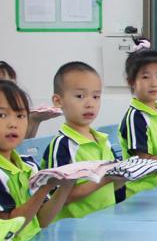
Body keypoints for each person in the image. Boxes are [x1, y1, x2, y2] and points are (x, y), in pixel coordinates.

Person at [0, 79, 70, 241]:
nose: (13, 124)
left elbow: (42, 221)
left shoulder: (28, 164)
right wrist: (43, 188)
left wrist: (66, 184)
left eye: (20, 116)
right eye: (1, 115)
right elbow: (6, 229)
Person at [43, 61, 124, 219]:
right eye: (80, 96)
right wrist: (104, 179)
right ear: (58, 101)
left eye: (96, 96)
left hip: (104, 223)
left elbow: (112, 186)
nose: (90, 104)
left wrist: (125, 175)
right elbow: (60, 197)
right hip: (73, 232)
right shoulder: (63, 145)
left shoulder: (103, 140)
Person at [118, 48, 157, 192]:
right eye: (146, 77)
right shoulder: (136, 117)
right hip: (145, 194)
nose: (154, 83)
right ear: (131, 82)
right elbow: (144, 164)